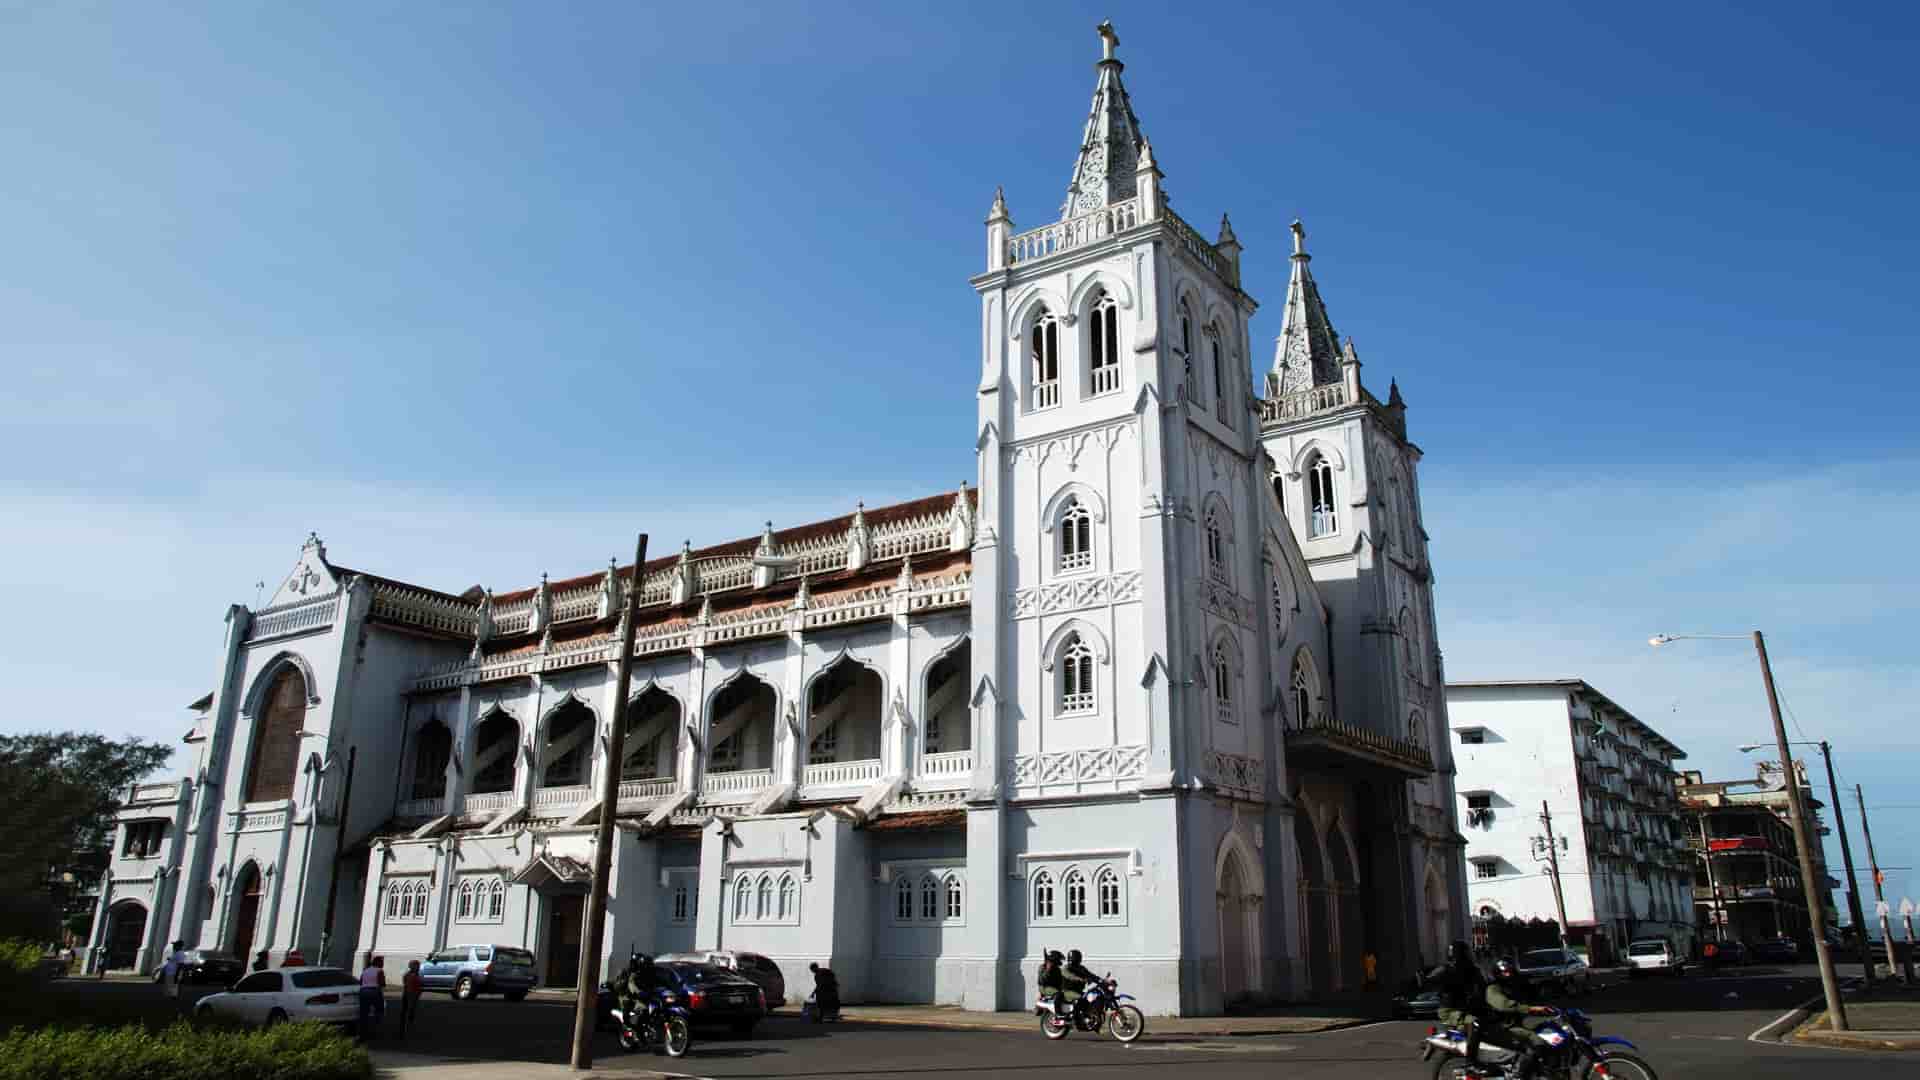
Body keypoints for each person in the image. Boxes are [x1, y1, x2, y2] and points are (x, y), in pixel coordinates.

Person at [1482, 957, 1557, 1078]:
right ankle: (1518, 1075)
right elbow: (1503, 1005)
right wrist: (1531, 1009)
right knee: (1536, 1041)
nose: (1508, 974)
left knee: (1547, 1032)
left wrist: (1547, 1003)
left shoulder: (1514, 987)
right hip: (1501, 1027)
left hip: (1514, 1025)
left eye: (1510, 971)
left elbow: (1531, 997)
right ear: (1497, 973)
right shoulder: (1492, 989)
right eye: (1505, 972)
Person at [1424, 941, 1490, 1068]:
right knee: (1474, 1024)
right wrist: (1424, 980)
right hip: (1450, 1009)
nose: (1468, 956)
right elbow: (1430, 980)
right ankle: (1471, 1062)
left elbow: (1484, 984)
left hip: (1469, 1007)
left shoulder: (1473, 969)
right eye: (1465, 953)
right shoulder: (1445, 969)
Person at [358, 956, 387, 1037]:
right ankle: (375, 1030)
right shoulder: (379, 970)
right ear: (377, 962)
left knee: (364, 1013)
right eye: (381, 962)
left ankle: (362, 1032)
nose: (383, 964)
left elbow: (360, 982)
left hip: (363, 991)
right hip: (374, 991)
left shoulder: (365, 970)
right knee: (379, 1011)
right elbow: (382, 983)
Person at [1036, 950, 1067, 1017]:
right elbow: (1043, 979)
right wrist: (1048, 970)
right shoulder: (1043, 967)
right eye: (1058, 959)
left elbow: (1061, 979)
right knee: (1059, 994)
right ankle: (1058, 1013)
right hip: (1045, 987)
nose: (1059, 961)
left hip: (1054, 987)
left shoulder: (1057, 969)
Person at [398, 960, 423, 1037]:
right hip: (410, 995)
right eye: (417, 966)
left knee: (410, 1011)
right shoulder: (411, 975)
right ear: (411, 967)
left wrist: (418, 993)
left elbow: (419, 986)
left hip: (412, 995)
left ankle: (407, 1027)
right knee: (407, 1011)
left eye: (418, 966)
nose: (418, 968)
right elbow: (406, 984)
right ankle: (404, 1028)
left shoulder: (415, 975)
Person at [162, 940, 187, 1010]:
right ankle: (170, 1005)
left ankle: (173, 1006)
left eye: (175, 945)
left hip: (174, 974)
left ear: (179, 946)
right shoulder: (176, 953)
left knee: (173, 992)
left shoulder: (180, 954)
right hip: (170, 973)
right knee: (169, 991)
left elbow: (181, 965)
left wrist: (177, 975)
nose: (173, 946)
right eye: (174, 945)